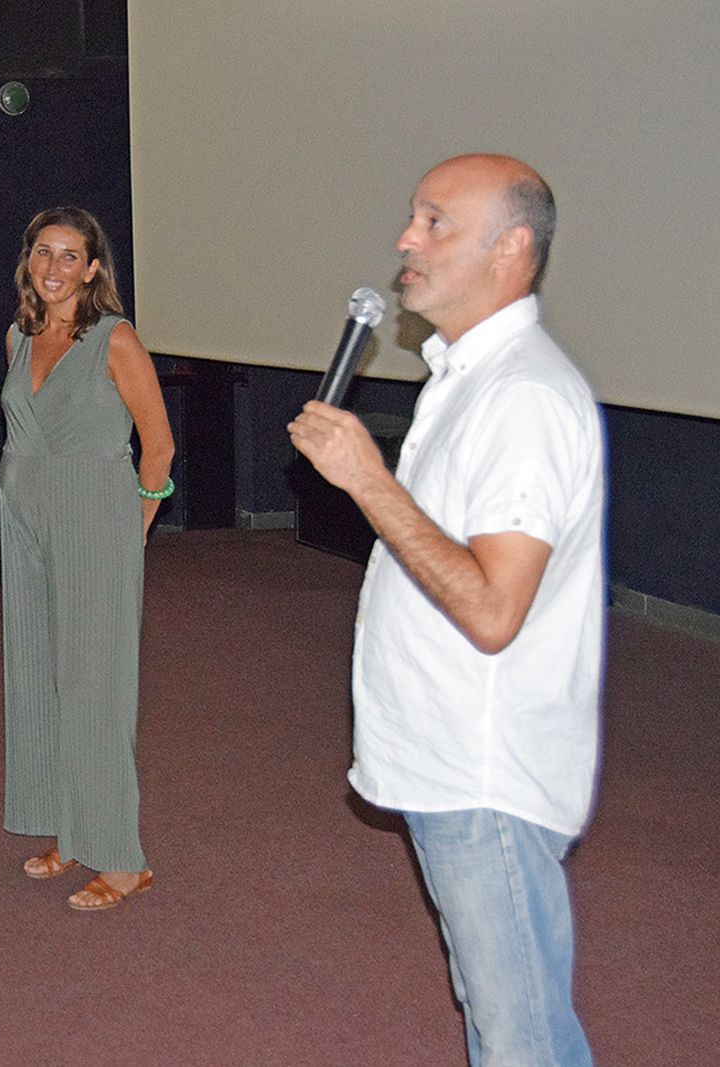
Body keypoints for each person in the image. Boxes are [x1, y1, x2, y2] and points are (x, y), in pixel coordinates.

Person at [289, 155, 602, 1065]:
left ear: (511, 250)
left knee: (522, 1036)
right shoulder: (467, 377)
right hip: (451, 760)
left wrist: (368, 482)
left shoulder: (524, 399)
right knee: (499, 1014)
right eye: (411, 219)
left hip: (485, 771)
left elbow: (494, 608)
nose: (404, 241)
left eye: (434, 223)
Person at [0, 207, 175, 911]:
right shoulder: (18, 335)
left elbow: (158, 449)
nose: (54, 267)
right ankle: (71, 831)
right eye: (44, 252)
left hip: (95, 521)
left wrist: (131, 528)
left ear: (94, 268)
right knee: (40, 675)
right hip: (25, 523)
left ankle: (123, 859)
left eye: (70, 256)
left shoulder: (115, 340)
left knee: (96, 689)